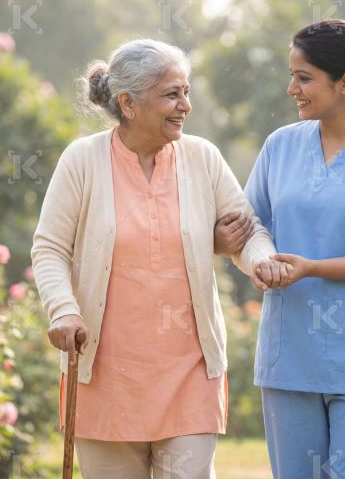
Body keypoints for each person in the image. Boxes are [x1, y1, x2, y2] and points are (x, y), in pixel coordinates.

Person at [30, 38, 287, 479]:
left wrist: (262, 260)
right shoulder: (82, 160)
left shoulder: (201, 157)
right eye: (172, 94)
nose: (185, 105)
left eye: (186, 91)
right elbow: (50, 247)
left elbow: (246, 230)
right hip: (105, 374)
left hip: (189, 371)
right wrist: (63, 311)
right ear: (128, 104)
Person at [217, 19, 345, 478]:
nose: (292, 88)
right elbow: (248, 228)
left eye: (304, 77)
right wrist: (242, 250)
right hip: (289, 359)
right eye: (292, 75)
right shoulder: (279, 147)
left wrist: (311, 268)